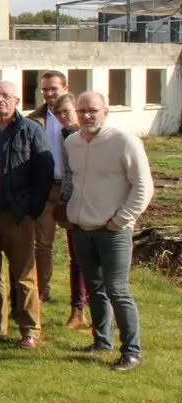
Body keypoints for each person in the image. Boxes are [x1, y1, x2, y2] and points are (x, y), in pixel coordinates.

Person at [63, 92, 153, 372]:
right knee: (95, 288)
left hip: (113, 230)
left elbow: (143, 186)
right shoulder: (72, 142)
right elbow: (73, 181)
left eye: (93, 110)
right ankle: (102, 340)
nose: (87, 116)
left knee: (117, 289)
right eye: (82, 111)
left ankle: (132, 351)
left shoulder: (124, 142)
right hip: (82, 228)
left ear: (106, 111)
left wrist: (122, 219)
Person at [0, 81, 54, 349]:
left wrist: (33, 211)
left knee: (24, 276)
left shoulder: (30, 129)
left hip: (18, 215)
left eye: (5, 96)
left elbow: (44, 172)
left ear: (17, 101)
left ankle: (30, 330)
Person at [28, 70, 69, 303]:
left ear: (65, 88)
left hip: (73, 187)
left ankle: (81, 300)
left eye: (53, 88)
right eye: (45, 89)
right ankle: (42, 291)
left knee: (79, 248)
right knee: (42, 243)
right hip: (46, 188)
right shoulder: (35, 119)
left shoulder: (75, 116)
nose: (49, 93)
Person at [51, 93, 88, 328]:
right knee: (76, 258)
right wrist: (64, 201)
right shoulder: (64, 136)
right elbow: (66, 173)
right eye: (58, 113)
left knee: (94, 261)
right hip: (72, 203)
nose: (63, 117)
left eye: (66, 111)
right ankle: (77, 310)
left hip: (94, 204)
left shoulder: (91, 136)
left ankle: (100, 312)